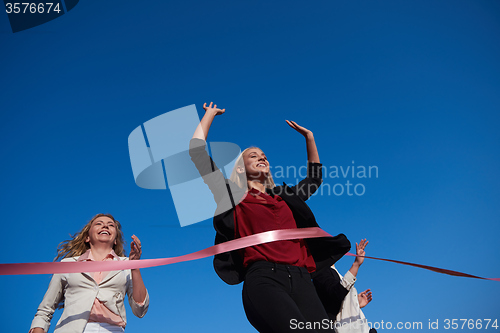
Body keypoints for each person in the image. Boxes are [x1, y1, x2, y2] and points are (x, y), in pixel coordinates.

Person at [189, 102, 351, 332]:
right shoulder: (233, 196)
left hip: (303, 279)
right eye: (253, 156)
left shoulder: (285, 197)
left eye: (264, 156)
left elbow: (314, 180)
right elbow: (196, 152)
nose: (261, 158)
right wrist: (209, 115)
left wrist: (310, 138)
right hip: (265, 278)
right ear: (240, 169)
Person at [29, 213, 149, 333]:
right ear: (87, 237)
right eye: (99, 224)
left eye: (110, 225)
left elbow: (140, 310)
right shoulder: (67, 264)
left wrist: (135, 266)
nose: (105, 226)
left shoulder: (127, 264)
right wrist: (38, 328)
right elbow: (45, 309)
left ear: (116, 240)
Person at [314, 239, 375, 333]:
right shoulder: (321, 273)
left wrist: (355, 302)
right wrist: (356, 264)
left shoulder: (335, 272)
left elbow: (340, 296)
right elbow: (336, 294)